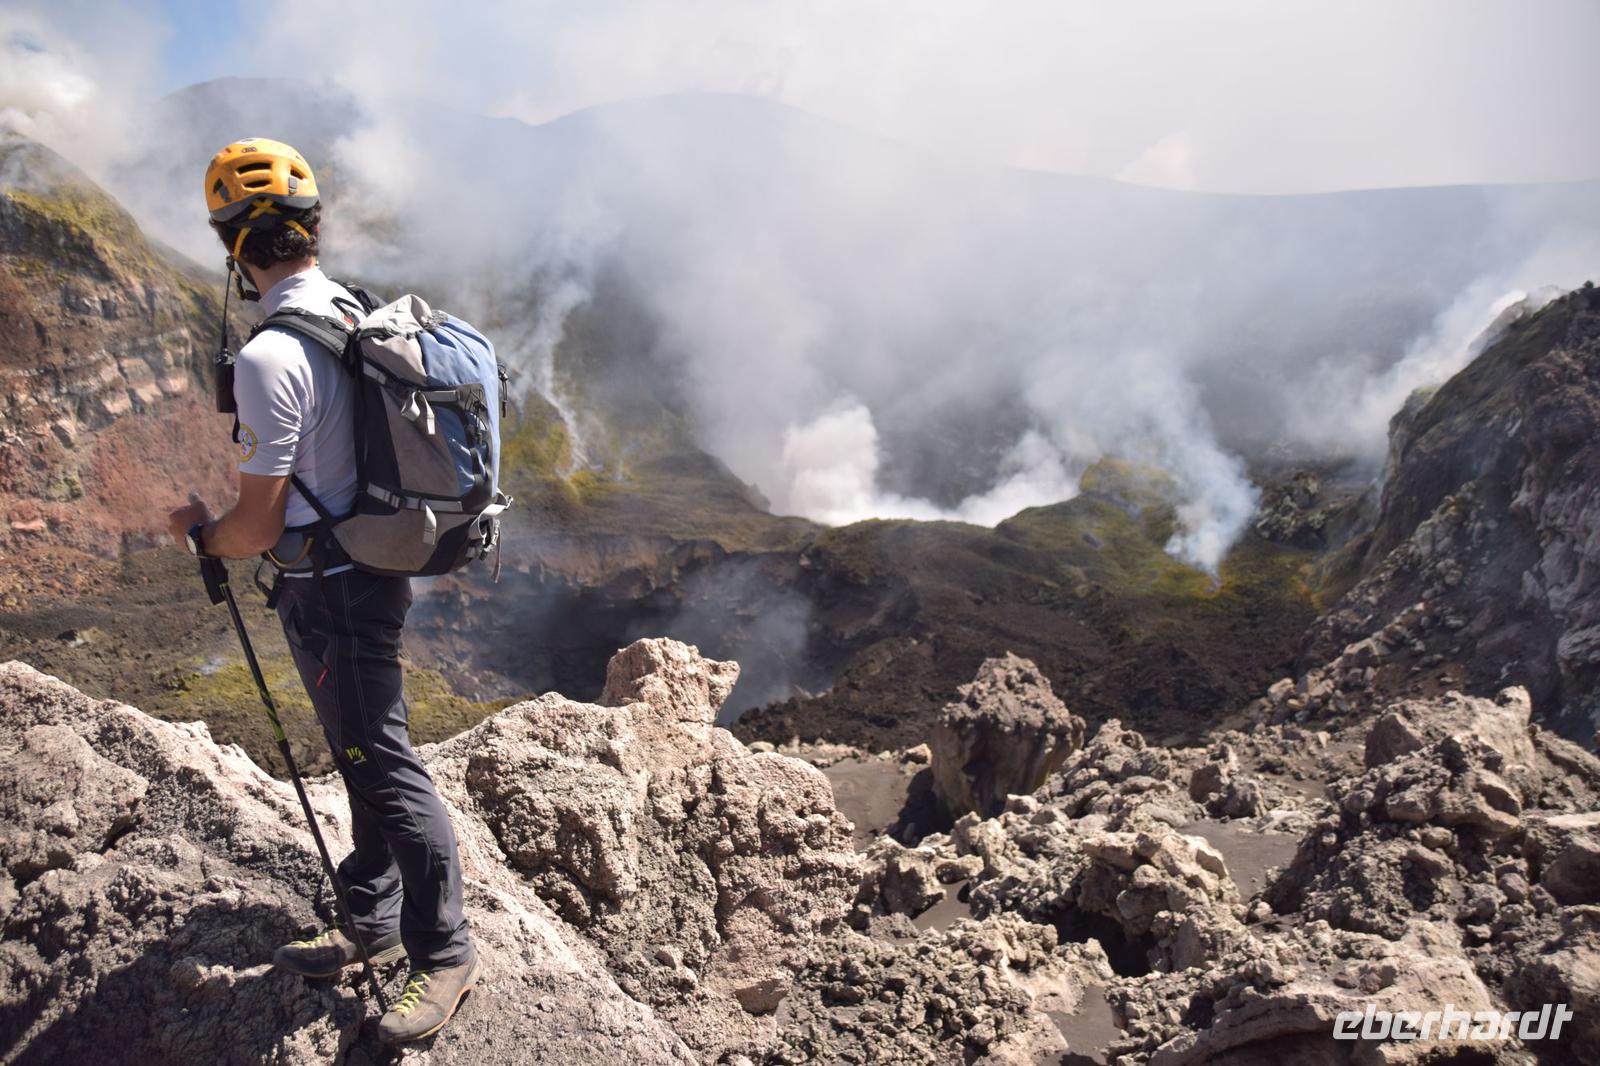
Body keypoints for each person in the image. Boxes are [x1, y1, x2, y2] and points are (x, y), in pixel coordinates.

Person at [165, 138, 479, 1044]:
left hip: (333, 587)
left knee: (379, 761)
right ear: (313, 231)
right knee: (356, 750)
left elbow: (257, 527)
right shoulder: (351, 307)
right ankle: (373, 918)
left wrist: (202, 534)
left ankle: (446, 952)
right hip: (370, 565)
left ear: (235, 250)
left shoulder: (269, 358)